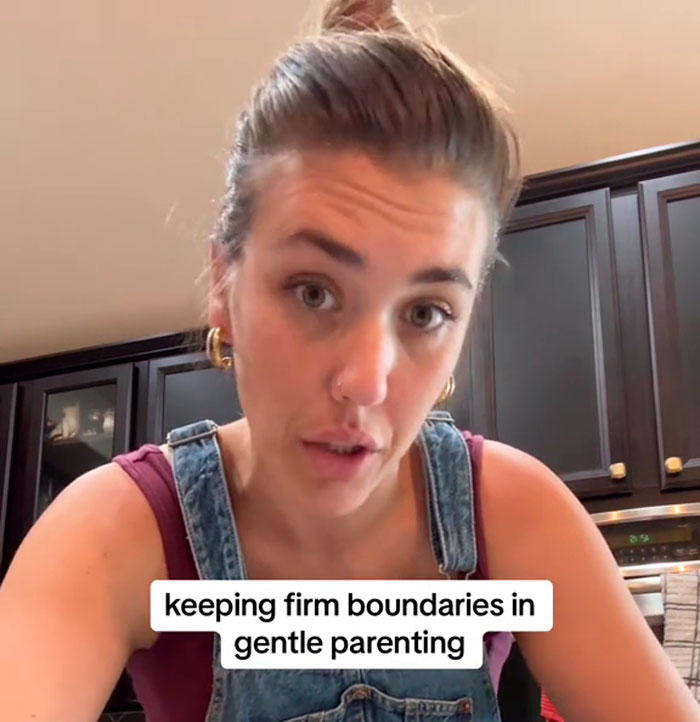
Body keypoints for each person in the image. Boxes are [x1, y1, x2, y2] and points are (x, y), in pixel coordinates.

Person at [1, 1, 698, 720]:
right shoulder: (121, 531)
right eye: (314, 291)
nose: (366, 381)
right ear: (223, 285)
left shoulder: (514, 512)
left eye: (425, 313)